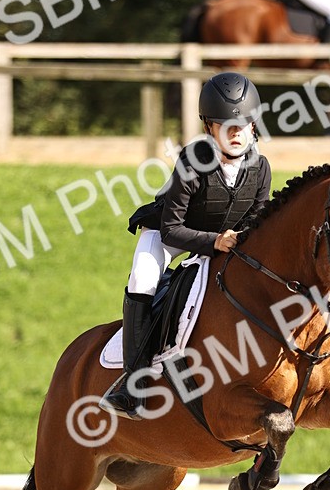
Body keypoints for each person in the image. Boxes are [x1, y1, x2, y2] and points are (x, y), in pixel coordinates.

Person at [102, 71, 272, 419]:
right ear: (209, 128)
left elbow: (258, 224)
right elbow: (171, 230)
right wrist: (215, 242)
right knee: (144, 278)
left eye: (243, 124)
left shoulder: (261, 168)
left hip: (225, 242)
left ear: (254, 126)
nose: (235, 133)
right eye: (225, 125)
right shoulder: (193, 162)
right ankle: (133, 385)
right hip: (172, 235)